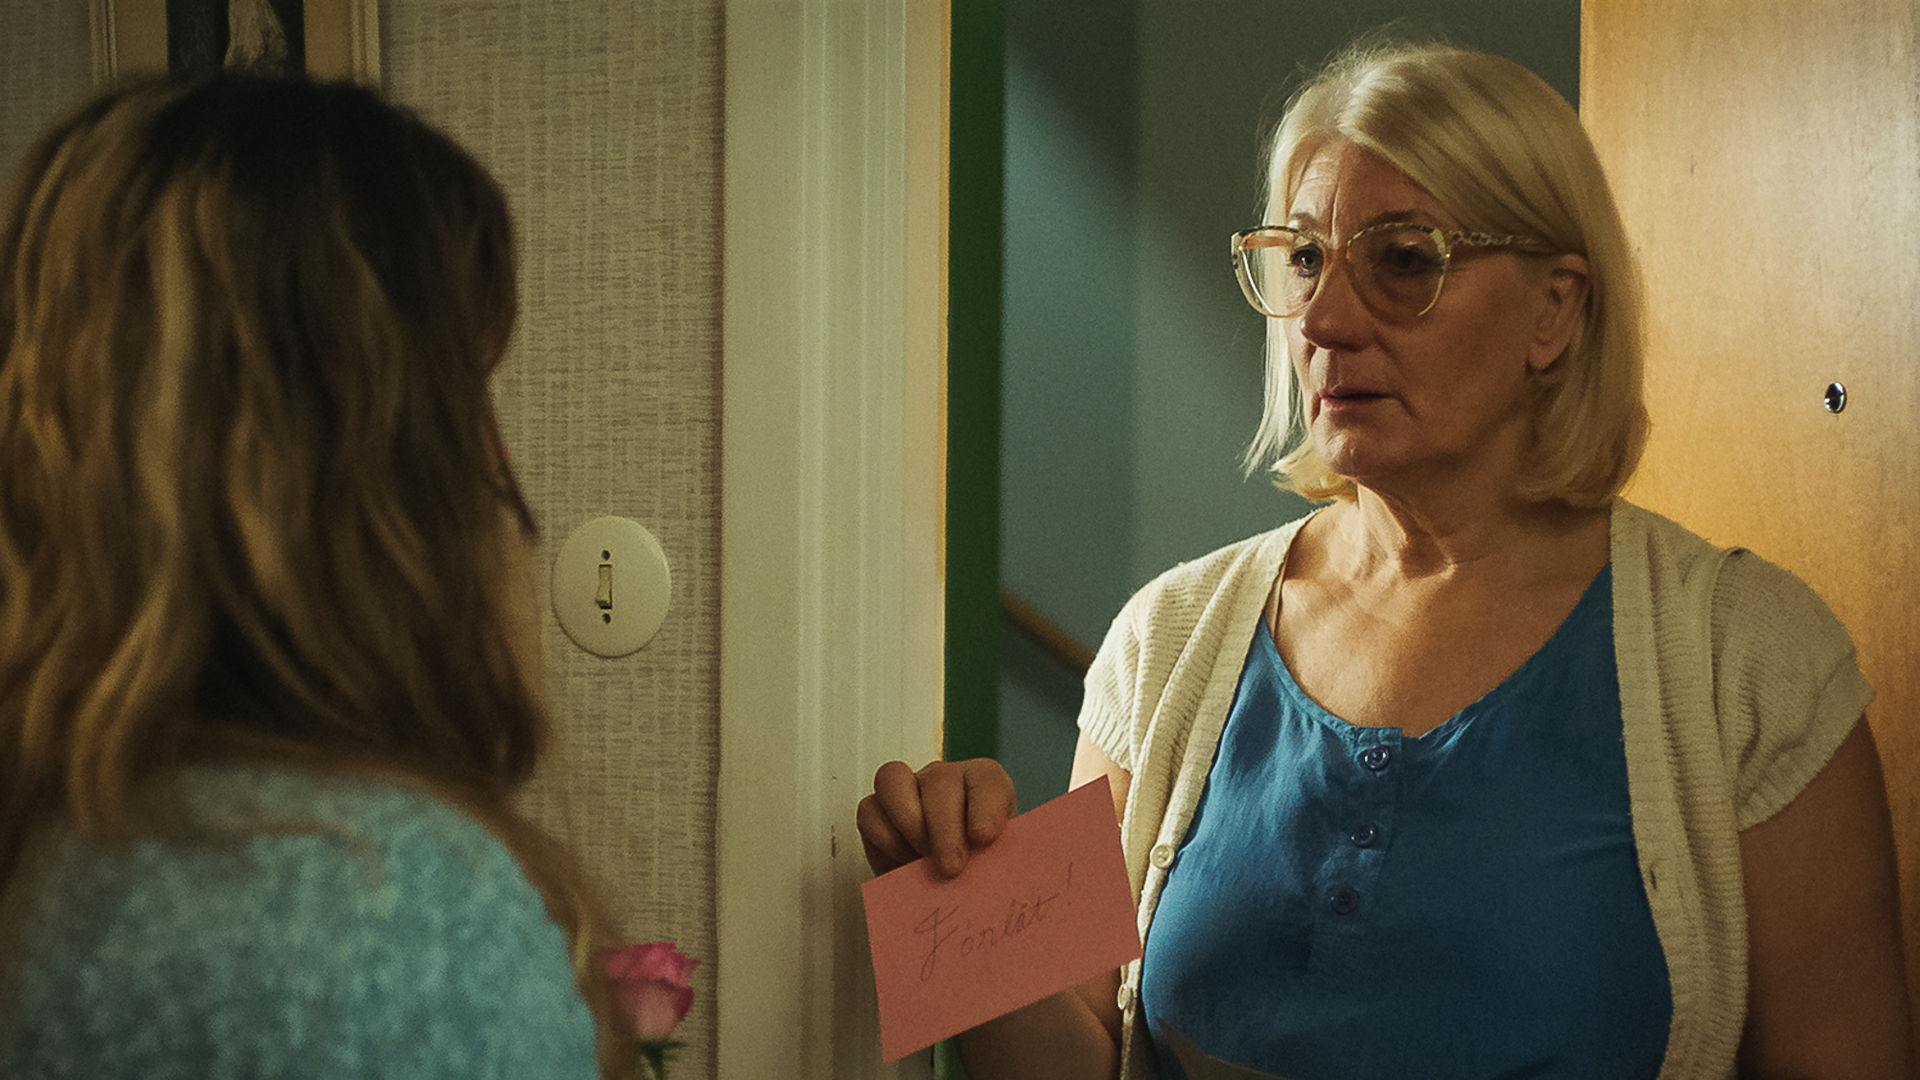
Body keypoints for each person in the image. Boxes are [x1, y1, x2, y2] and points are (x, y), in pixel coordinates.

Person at [858, 39, 1915, 1080]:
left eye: (1404, 261)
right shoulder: (1166, 644)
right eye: (1305, 259)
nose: (1322, 319)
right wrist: (954, 905)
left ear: (1555, 310)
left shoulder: (1749, 665)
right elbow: (1085, 1061)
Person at [0, 74, 622, 1078]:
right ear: (353, 467)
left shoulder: (68, 843)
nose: (499, 460)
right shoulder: (387, 917)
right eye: (463, 397)